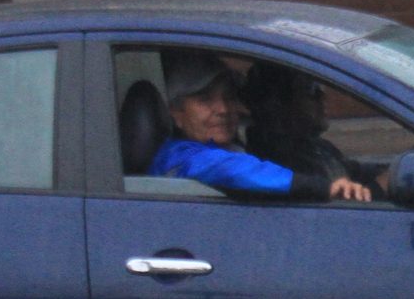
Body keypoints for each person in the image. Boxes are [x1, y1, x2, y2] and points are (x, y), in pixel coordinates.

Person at [150, 51, 372, 201]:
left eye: (228, 97)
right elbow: (235, 170)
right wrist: (325, 187)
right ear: (175, 112)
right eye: (205, 100)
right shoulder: (179, 157)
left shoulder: (235, 146)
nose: (223, 109)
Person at [240, 61, 390, 195]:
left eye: (320, 88)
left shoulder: (315, 147)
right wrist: (380, 187)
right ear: (279, 104)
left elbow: (354, 170)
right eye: (312, 90)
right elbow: (339, 210)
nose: (322, 96)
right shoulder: (277, 162)